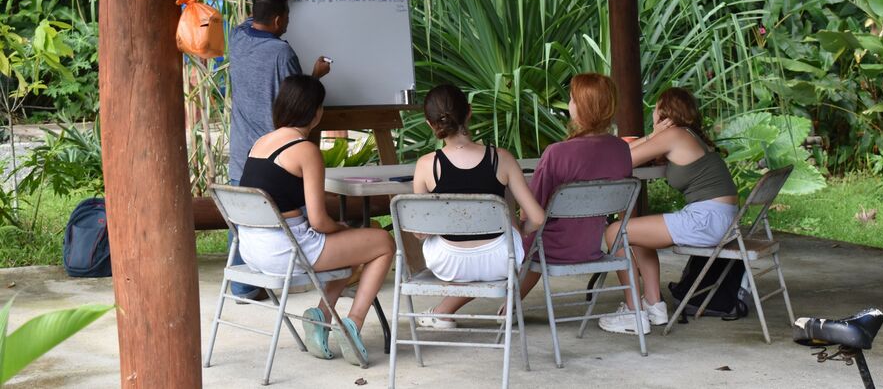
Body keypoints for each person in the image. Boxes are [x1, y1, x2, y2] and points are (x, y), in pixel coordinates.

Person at [239, 74, 394, 365]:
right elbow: (320, 221)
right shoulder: (304, 150)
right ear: (316, 111)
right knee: (383, 242)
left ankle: (321, 317)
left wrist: (339, 234)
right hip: (285, 250)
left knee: (351, 249)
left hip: (251, 249)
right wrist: (341, 228)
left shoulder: (260, 143)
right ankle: (353, 325)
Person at [598, 87, 738, 335]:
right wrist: (652, 136)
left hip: (705, 220)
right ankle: (654, 305)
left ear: (664, 112)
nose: (653, 112)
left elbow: (620, 161)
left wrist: (653, 136)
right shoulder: (690, 136)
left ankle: (632, 312)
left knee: (615, 232)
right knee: (636, 233)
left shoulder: (673, 135)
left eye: (655, 108)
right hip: (720, 220)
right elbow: (625, 155)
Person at [410, 84, 545, 328]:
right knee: (505, 205)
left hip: (449, 263)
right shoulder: (501, 158)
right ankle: (445, 310)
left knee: (437, 230)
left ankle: (441, 312)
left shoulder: (426, 165)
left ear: (430, 124)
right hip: (500, 260)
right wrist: (520, 230)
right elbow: (537, 217)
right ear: (469, 112)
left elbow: (420, 231)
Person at [227, 0, 331, 301]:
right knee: (291, 224)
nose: (287, 24)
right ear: (275, 20)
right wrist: (316, 75)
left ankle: (243, 287)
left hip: (243, 157)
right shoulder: (281, 53)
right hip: (279, 158)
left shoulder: (237, 38)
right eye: (285, 17)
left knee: (248, 223)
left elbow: (250, 21)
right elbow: (296, 100)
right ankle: (296, 275)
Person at [516, 73, 634, 305]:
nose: (569, 104)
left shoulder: (557, 152)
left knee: (519, 237)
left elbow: (529, 214)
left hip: (549, 249)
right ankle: (510, 306)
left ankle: (510, 306)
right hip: (590, 247)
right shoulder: (621, 150)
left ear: (581, 107)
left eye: (571, 99)